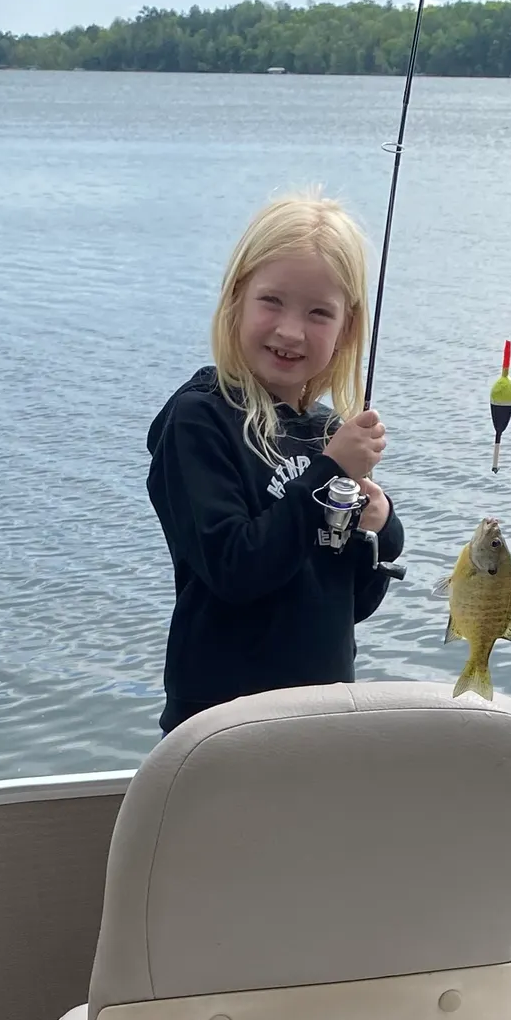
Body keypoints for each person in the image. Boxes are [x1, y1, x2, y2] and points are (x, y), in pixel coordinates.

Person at [147, 192, 405, 733]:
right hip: (220, 727)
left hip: (320, 720)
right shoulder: (198, 421)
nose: (291, 331)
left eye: (318, 313)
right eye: (272, 301)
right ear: (237, 297)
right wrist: (329, 476)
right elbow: (235, 570)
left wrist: (378, 529)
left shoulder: (328, 433)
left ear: (346, 329)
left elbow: (350, 603)